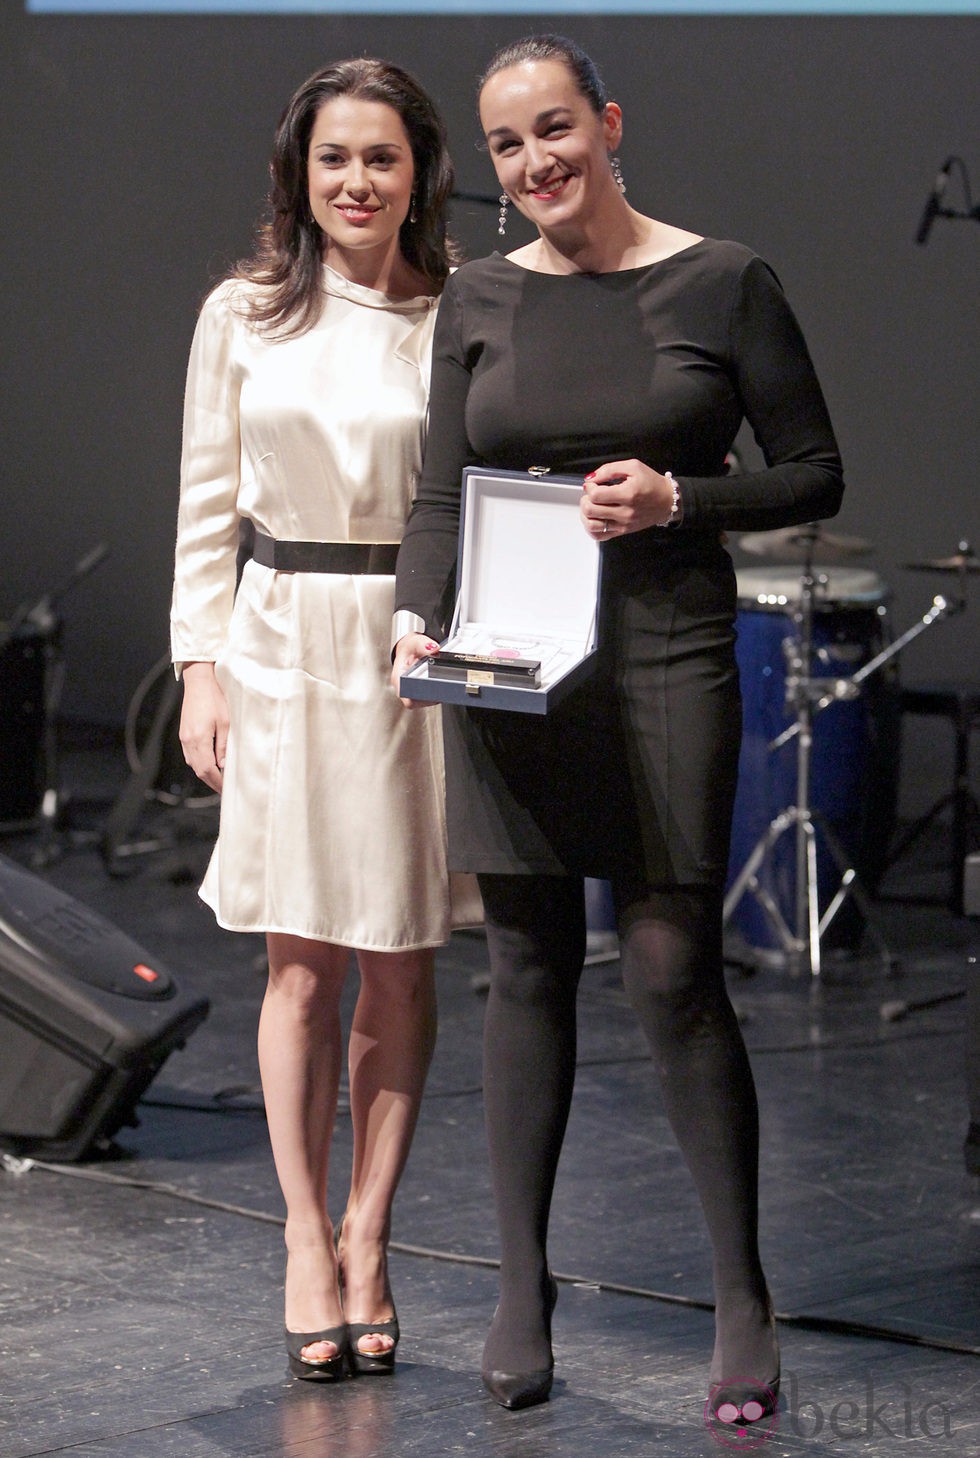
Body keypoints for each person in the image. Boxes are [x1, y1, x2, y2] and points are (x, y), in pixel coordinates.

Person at [392, 34, 844, 1421]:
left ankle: (743, 1293)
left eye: (557, 131)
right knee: (525, 959)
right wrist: (418, 616)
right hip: (514, 645)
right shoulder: (473, 293)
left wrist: (678, 502)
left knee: (667, 964)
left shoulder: (724, 278)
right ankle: (522, 1286)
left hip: (662, 640)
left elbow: (816, 470)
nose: (536, 164)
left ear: (609, 121)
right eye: (511, 145)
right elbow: (436, 493)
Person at [171, 58, 461, 1382]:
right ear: (300, 170)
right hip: (280, 637)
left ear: (419, 173)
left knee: (400, 956)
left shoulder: (459, 311)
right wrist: (200, 666)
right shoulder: (242, 312)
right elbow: (205, 500)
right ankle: (300, 1229)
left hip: (408, 650)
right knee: (301, 961)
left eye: (381, 158)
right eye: (334, 157)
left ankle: (371, 1232)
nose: (356, 181)